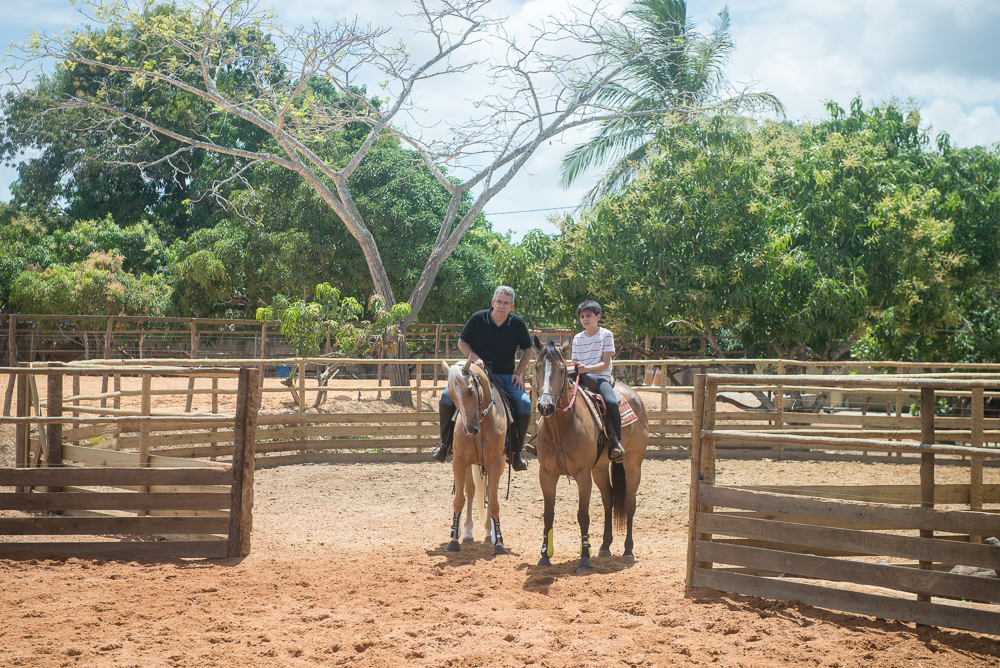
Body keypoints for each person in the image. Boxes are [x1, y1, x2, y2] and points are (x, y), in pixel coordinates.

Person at [431, 286, 534, 471]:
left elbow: (528, 349)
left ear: (512, 306)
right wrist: (475, 358)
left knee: (525, 403)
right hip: (475, 371)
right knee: (446, 395)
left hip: (504, 374)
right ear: (493, 302)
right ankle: (445, 444)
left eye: (506, 303)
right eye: (499, 302)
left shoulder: (518, 324)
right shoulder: (478, 318)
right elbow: (462, 342)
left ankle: (516, 453)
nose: (502, 306)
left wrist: (518, 373)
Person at [569, 300, 624, 461]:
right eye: (582, 316)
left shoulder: (606, 335)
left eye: (589, 315)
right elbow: (574, 363)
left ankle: (616, 441)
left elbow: (605, 363)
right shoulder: (577, 338)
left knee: (611, 402)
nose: (585, 319)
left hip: (599, 378)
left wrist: (587, 368)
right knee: (555, 393)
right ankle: (542, 439)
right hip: (580, 376)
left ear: (598, 316)